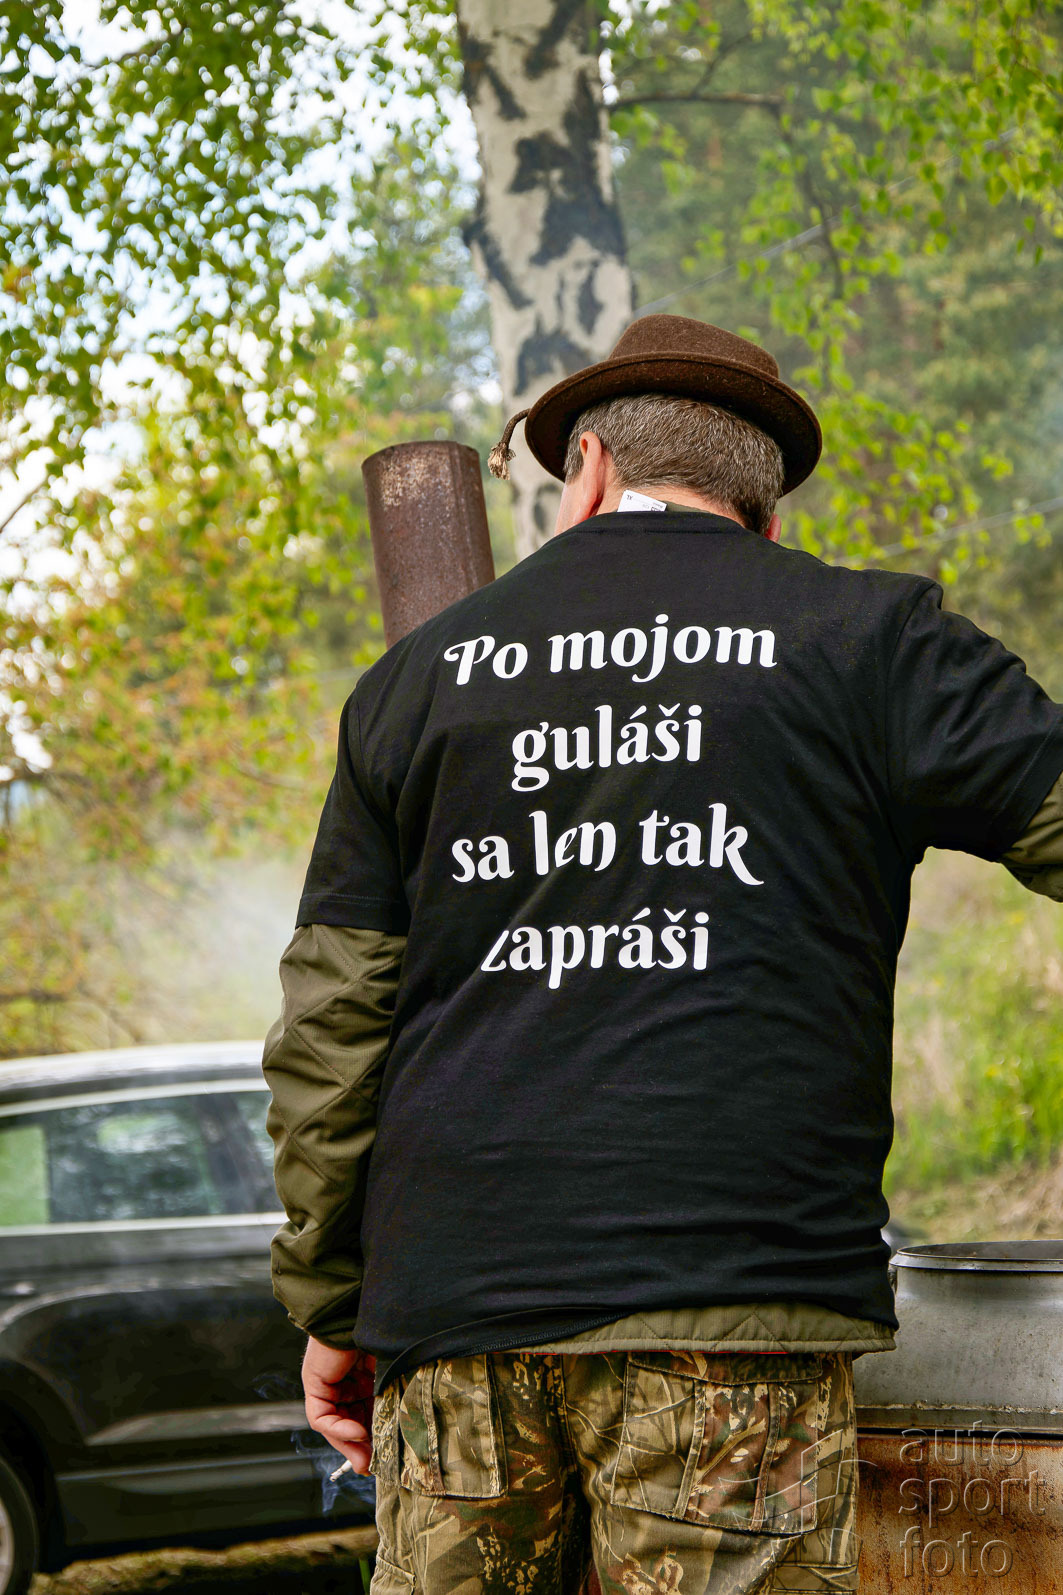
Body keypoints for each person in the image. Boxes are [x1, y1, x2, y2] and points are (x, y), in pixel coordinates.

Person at [262, 314, 1063, 1595]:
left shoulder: (413, 680)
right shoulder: (871, 639)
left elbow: (333, 1029)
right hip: (735, 1314)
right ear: (765, 514)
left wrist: (331, 1297)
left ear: (585, 468)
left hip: (456, 1314)